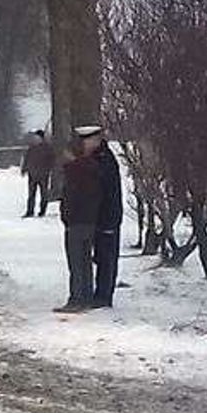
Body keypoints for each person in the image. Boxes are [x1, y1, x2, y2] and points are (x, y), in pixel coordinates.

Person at [56, 129, 103, 313]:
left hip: (76, 222)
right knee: (85, 260)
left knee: (76, 262)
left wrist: (67, 216)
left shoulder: (73, 172)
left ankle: (76, 298)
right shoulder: (92, 168)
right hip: (90, 220)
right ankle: (86, 296)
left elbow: (71, 197)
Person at [91, 126, 123, 308]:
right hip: (101, 216)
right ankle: (101, 293)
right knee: (102, 256)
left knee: (106, 258)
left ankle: (104, 295)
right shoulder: (99, 158)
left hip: (107, 217)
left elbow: (108, 192)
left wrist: (109, 219)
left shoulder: (105, 160)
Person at [21, 129, 55, 218]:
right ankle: (30, 211)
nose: (35, 139)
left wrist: (49, 169)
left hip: (43, 174)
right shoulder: (31, 148)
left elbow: (52, 160)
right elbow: (26, 159)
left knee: (44, 194)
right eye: (35, 137)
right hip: (32, 174)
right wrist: (24, 169)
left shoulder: (47, 148)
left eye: (37, 137)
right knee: (31, 194)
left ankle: (42, 211)